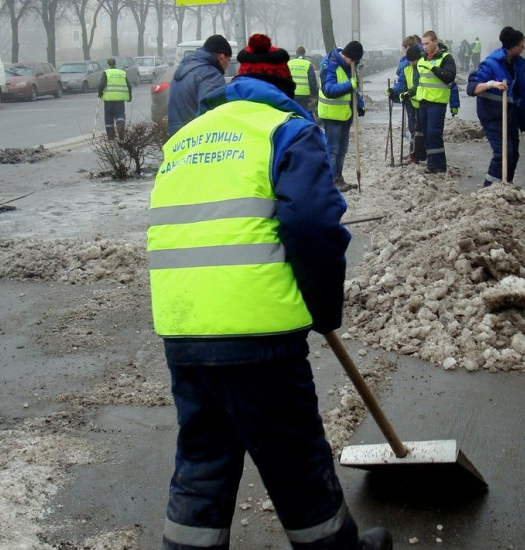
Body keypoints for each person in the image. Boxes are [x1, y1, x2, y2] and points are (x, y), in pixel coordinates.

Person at [148, 32, 393, 550]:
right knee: (295, 461)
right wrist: (325, 308)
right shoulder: (287, 130)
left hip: (183, 327)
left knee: (202, 463)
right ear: (284, 89)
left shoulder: (186, 139)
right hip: (257, 334)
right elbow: (313, 226)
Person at [467, 26, 525, 186]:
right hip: (492, 115)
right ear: (513, 47)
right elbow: (472, 87)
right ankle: (488, 190)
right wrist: (492, 84)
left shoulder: (516, 64)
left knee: (513, 154)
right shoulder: (491, 64)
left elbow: (518, 91)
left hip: (510, 115)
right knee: (502, 154)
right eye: (521, 45)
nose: (523, 48)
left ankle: (506, 185)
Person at [318, 40, 365, 191]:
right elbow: (329, 89)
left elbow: (354, 89)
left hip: (345, 114)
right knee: (333, 149)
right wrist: (349, 85)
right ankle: (332, 180)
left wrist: (359, 103)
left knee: (342, 149)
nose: (355, 64)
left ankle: (339, 177)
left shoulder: (350, 65)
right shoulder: (330, 64)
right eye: (355, 61)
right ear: (350, 56)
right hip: (332, 115)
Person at [167, 34, 232, 136]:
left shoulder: (184, 69)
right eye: (229, 60)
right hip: (197, 138)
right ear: (222, 56)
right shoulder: (211, 74)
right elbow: (213, 113)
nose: (228, 65)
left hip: (176, 136)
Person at [414, 30, 456, 173]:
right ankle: (432, 164)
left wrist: (433, 68)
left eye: (427, 43)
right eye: (423, 44)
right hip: (423, 101)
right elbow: (418, 81)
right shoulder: (421, 59)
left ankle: (438, 165)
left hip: (437, 101)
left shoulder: (446, 58)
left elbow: (449, 77)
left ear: (435, 42)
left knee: (434, 133)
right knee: (426, 133)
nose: (424, 46)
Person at [387, 36, 422, 163]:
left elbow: (404, 82)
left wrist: (396, 92)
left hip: (413, 99)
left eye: (403, 48)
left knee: (415, 127)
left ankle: (415, 154)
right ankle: (415, 153)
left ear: (407, 48)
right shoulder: (412, 60)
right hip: (413, 98)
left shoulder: (409, 62)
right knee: (416, 127)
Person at [97, 57, 132, 139]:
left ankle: (111, 135)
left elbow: (101, 85)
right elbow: (129, 86)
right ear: (115, 63)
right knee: (120, 114)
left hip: (109, 99)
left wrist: (100, 93)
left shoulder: (106, 73)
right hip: (120, 99)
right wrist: (129, 96)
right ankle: (120, 125)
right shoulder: (122, 73)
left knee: (109, 116)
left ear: (108, 64)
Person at [288, 46, 318, 114]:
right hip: (304, 94)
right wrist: (314, 93)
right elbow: (312, 81)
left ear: (296, 53)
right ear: (304, 53)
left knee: (293, 112)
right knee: (302, 113)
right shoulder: (307, 64)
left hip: (292, 93)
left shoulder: (289, 63)